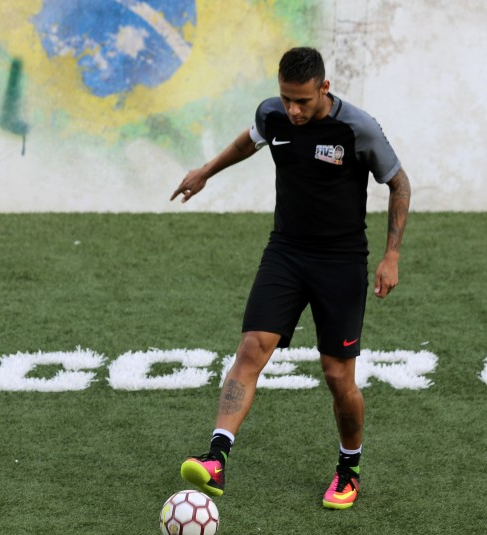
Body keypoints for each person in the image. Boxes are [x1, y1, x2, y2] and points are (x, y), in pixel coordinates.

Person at [170, 47, 411, 510]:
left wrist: (392, 255)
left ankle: (349, 468)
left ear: (324, 87)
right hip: (285, 252)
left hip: (340, 261)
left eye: (302, 101)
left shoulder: (356, 127)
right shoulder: (273, 113)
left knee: (338, 375)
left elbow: (398, 182)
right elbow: (250, 140)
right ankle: (217, 457)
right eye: (286, 99)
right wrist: (206, 172)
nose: (293, 111)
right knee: (252, 346)